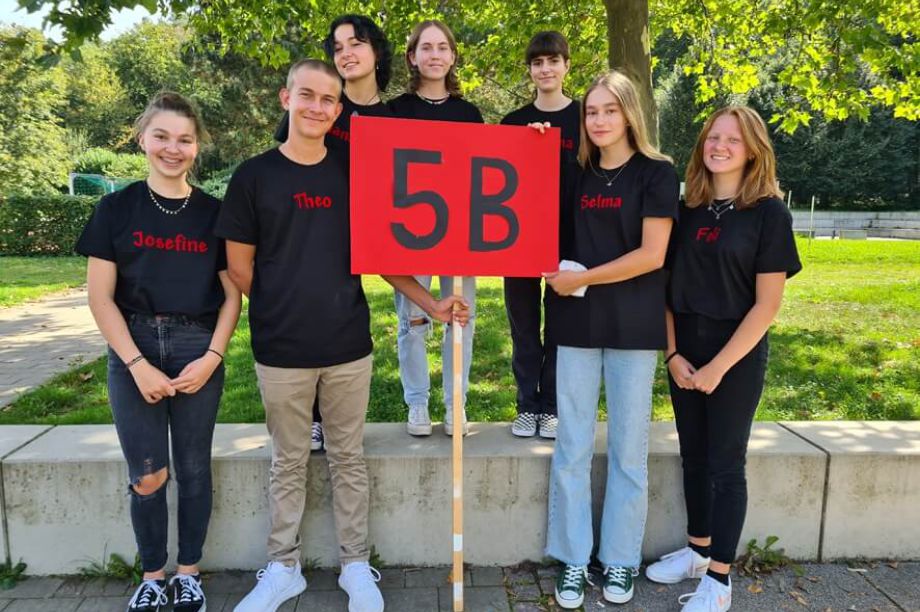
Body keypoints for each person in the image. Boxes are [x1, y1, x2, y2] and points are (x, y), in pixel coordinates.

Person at [219, 59, 467, 612]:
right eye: (307, 95)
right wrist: (285, 304)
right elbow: (239, 267)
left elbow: (383, 254)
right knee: (287, 460)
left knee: (348, 458)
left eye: (328, 100)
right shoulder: (254, 176)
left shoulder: (353, 171)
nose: (317, 107)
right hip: (281, 348)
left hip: (347, 344)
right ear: (286, 98)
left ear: (338, 110)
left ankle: (356, 565)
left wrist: (431, 302)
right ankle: (283, 568)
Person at [76, 92, 241, 612]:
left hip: (197, 347)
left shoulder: (215, 214)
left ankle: (188, 573)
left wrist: (213, 356)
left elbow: (233, 295)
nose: (173, 148)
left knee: (193, 469)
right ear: (142, 138)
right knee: (148, 474)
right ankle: (152, 575)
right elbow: (100, 298)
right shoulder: (115, 209)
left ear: (197, 146)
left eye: (185, 139)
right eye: (162, 136)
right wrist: (136, 365)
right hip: (135, 346)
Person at [645, 106, 801, 612]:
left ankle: (719, 580)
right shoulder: (686, 208)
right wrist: (672, 353)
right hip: (685, 349)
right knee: (692, 456)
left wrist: (719, 367)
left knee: (725, 464)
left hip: (736, 352)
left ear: (753, 150)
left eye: (733, 139)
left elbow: (767, 306)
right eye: (713, 137)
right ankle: (697, 552)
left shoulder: (770, 213)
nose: (720, 146)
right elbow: (664, 290)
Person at [540, 70, 678, 608]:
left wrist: (586, 278)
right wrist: (532, 145)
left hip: (633, 327)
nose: (598, 120)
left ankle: (620, 559)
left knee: (627, 450)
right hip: (575, 323)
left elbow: (652, 255)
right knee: (572, 447)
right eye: (591, 111)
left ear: (629, 113)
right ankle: (574, 558)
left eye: (609, 110)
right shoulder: (573, 174)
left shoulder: (656, 173)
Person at [272, 14, 395, 452]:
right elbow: (285, 162)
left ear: (376, 51)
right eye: (338, 47)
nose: (346, 53)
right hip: (313, 227)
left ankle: (407, 406)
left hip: (376, 233)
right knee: (312, 312)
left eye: (356, 43)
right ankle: (313, 418)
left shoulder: (395, 115)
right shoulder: (316, 108)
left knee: (349, 323)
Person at [388, 19, 484, 437]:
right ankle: (417, 403)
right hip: (410, 232)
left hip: (460, 233)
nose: (435, 55)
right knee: (413, 319)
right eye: (426, 47)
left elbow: (484, 170)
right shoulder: (395, 111)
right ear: (412, 57)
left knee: (460, 319)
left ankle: (454, 403)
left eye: (442, 47)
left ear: (453, 56)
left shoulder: (469, 114)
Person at [500, 30, 580, 440]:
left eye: (553, 61)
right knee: (524, 327)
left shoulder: (585, 118)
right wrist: (525, 144)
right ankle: (526, 405)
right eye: (537, 62)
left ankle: (551, 406)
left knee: (561, 327)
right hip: (519, 240)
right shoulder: (513, 123)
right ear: (530, 70)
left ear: (567, 65)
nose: (545, 69)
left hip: (571, 238)